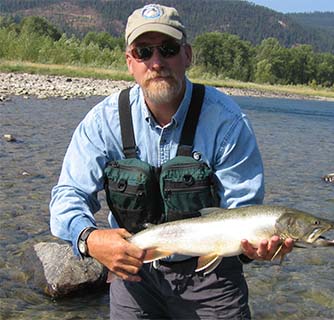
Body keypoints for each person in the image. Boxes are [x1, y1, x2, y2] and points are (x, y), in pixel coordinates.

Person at [50, 3, 293, 319]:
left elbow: (242, 210)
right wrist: (89, 239)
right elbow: (67, 196)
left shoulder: (227, 122)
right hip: (133, 272)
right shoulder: (102, 122)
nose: (156, 62)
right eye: (143, 52)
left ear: (187, 55)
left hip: (213, 276)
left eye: (168, 49)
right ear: (129, 62)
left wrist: (254, 250)